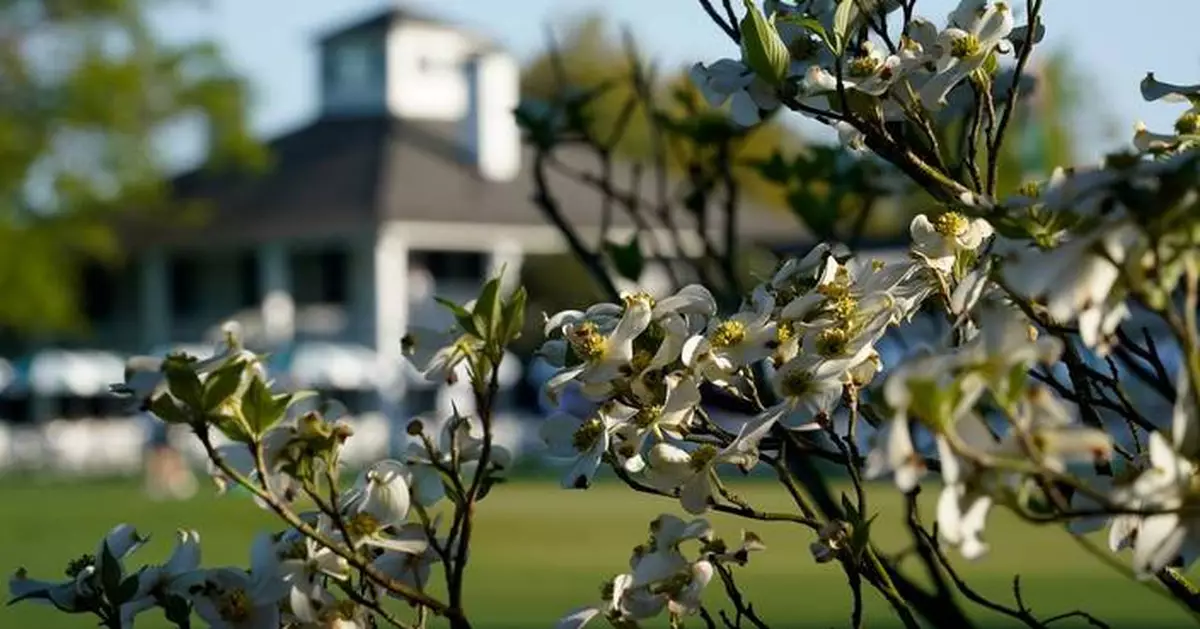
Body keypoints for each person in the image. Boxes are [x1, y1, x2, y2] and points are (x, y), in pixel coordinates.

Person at [142, 418, 197, 500]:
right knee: (160, 456)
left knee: (165, 456)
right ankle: (158, 486)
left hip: (166, 429)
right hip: (161, 427)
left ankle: (162, 486)